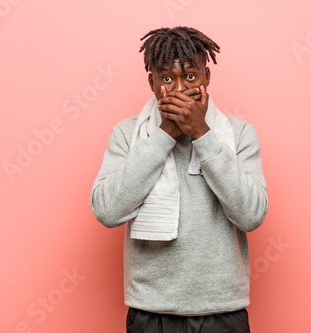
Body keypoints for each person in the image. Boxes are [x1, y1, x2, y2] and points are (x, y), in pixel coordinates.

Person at [90, 26, 269, 333]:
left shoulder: (238, 134)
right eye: (167, 78)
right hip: (151, 310)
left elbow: (251, 215)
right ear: (152, 82)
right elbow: (107, 211)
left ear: (206, 78)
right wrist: (163, 137)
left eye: (190, 76)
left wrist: (203, 134)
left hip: (222, 309)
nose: (179, 89)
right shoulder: (128, 134)